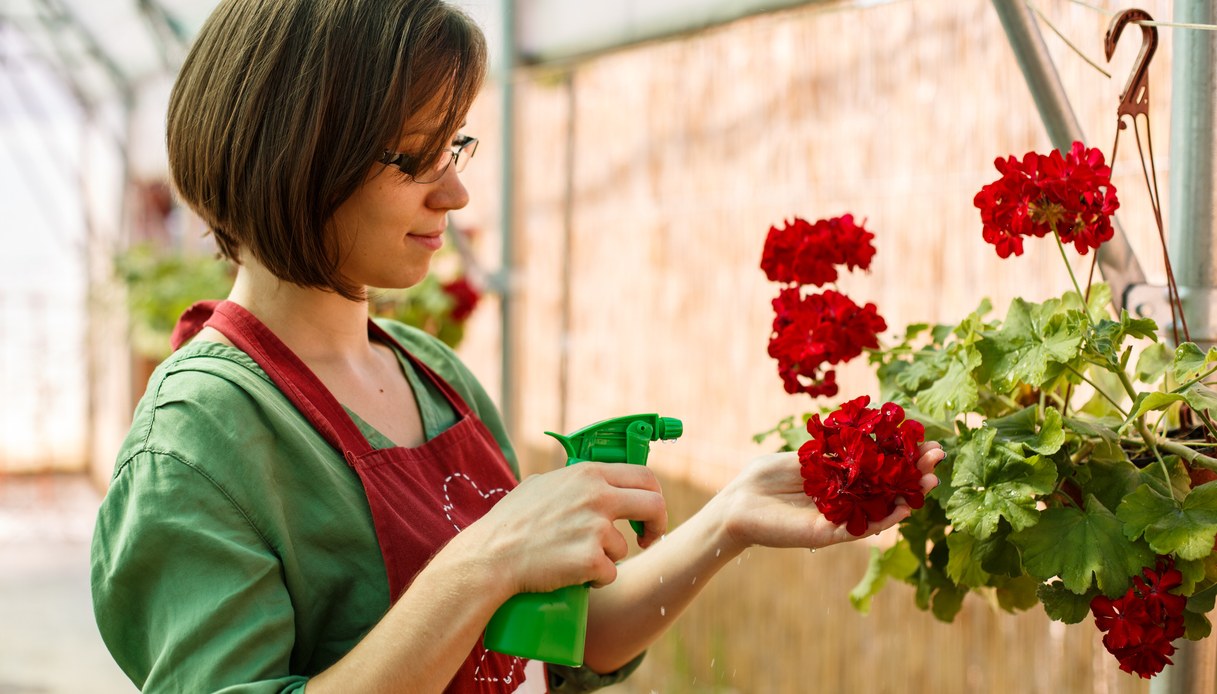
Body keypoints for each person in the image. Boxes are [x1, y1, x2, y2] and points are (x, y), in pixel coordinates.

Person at [89, 0, 944, 692]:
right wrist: (484, 562)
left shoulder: (433, 375)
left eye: (454, 146)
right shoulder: (197, 442)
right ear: (296, 151)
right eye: (416, 159)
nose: (456, 192)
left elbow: (557, 643)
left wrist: (728, 519)